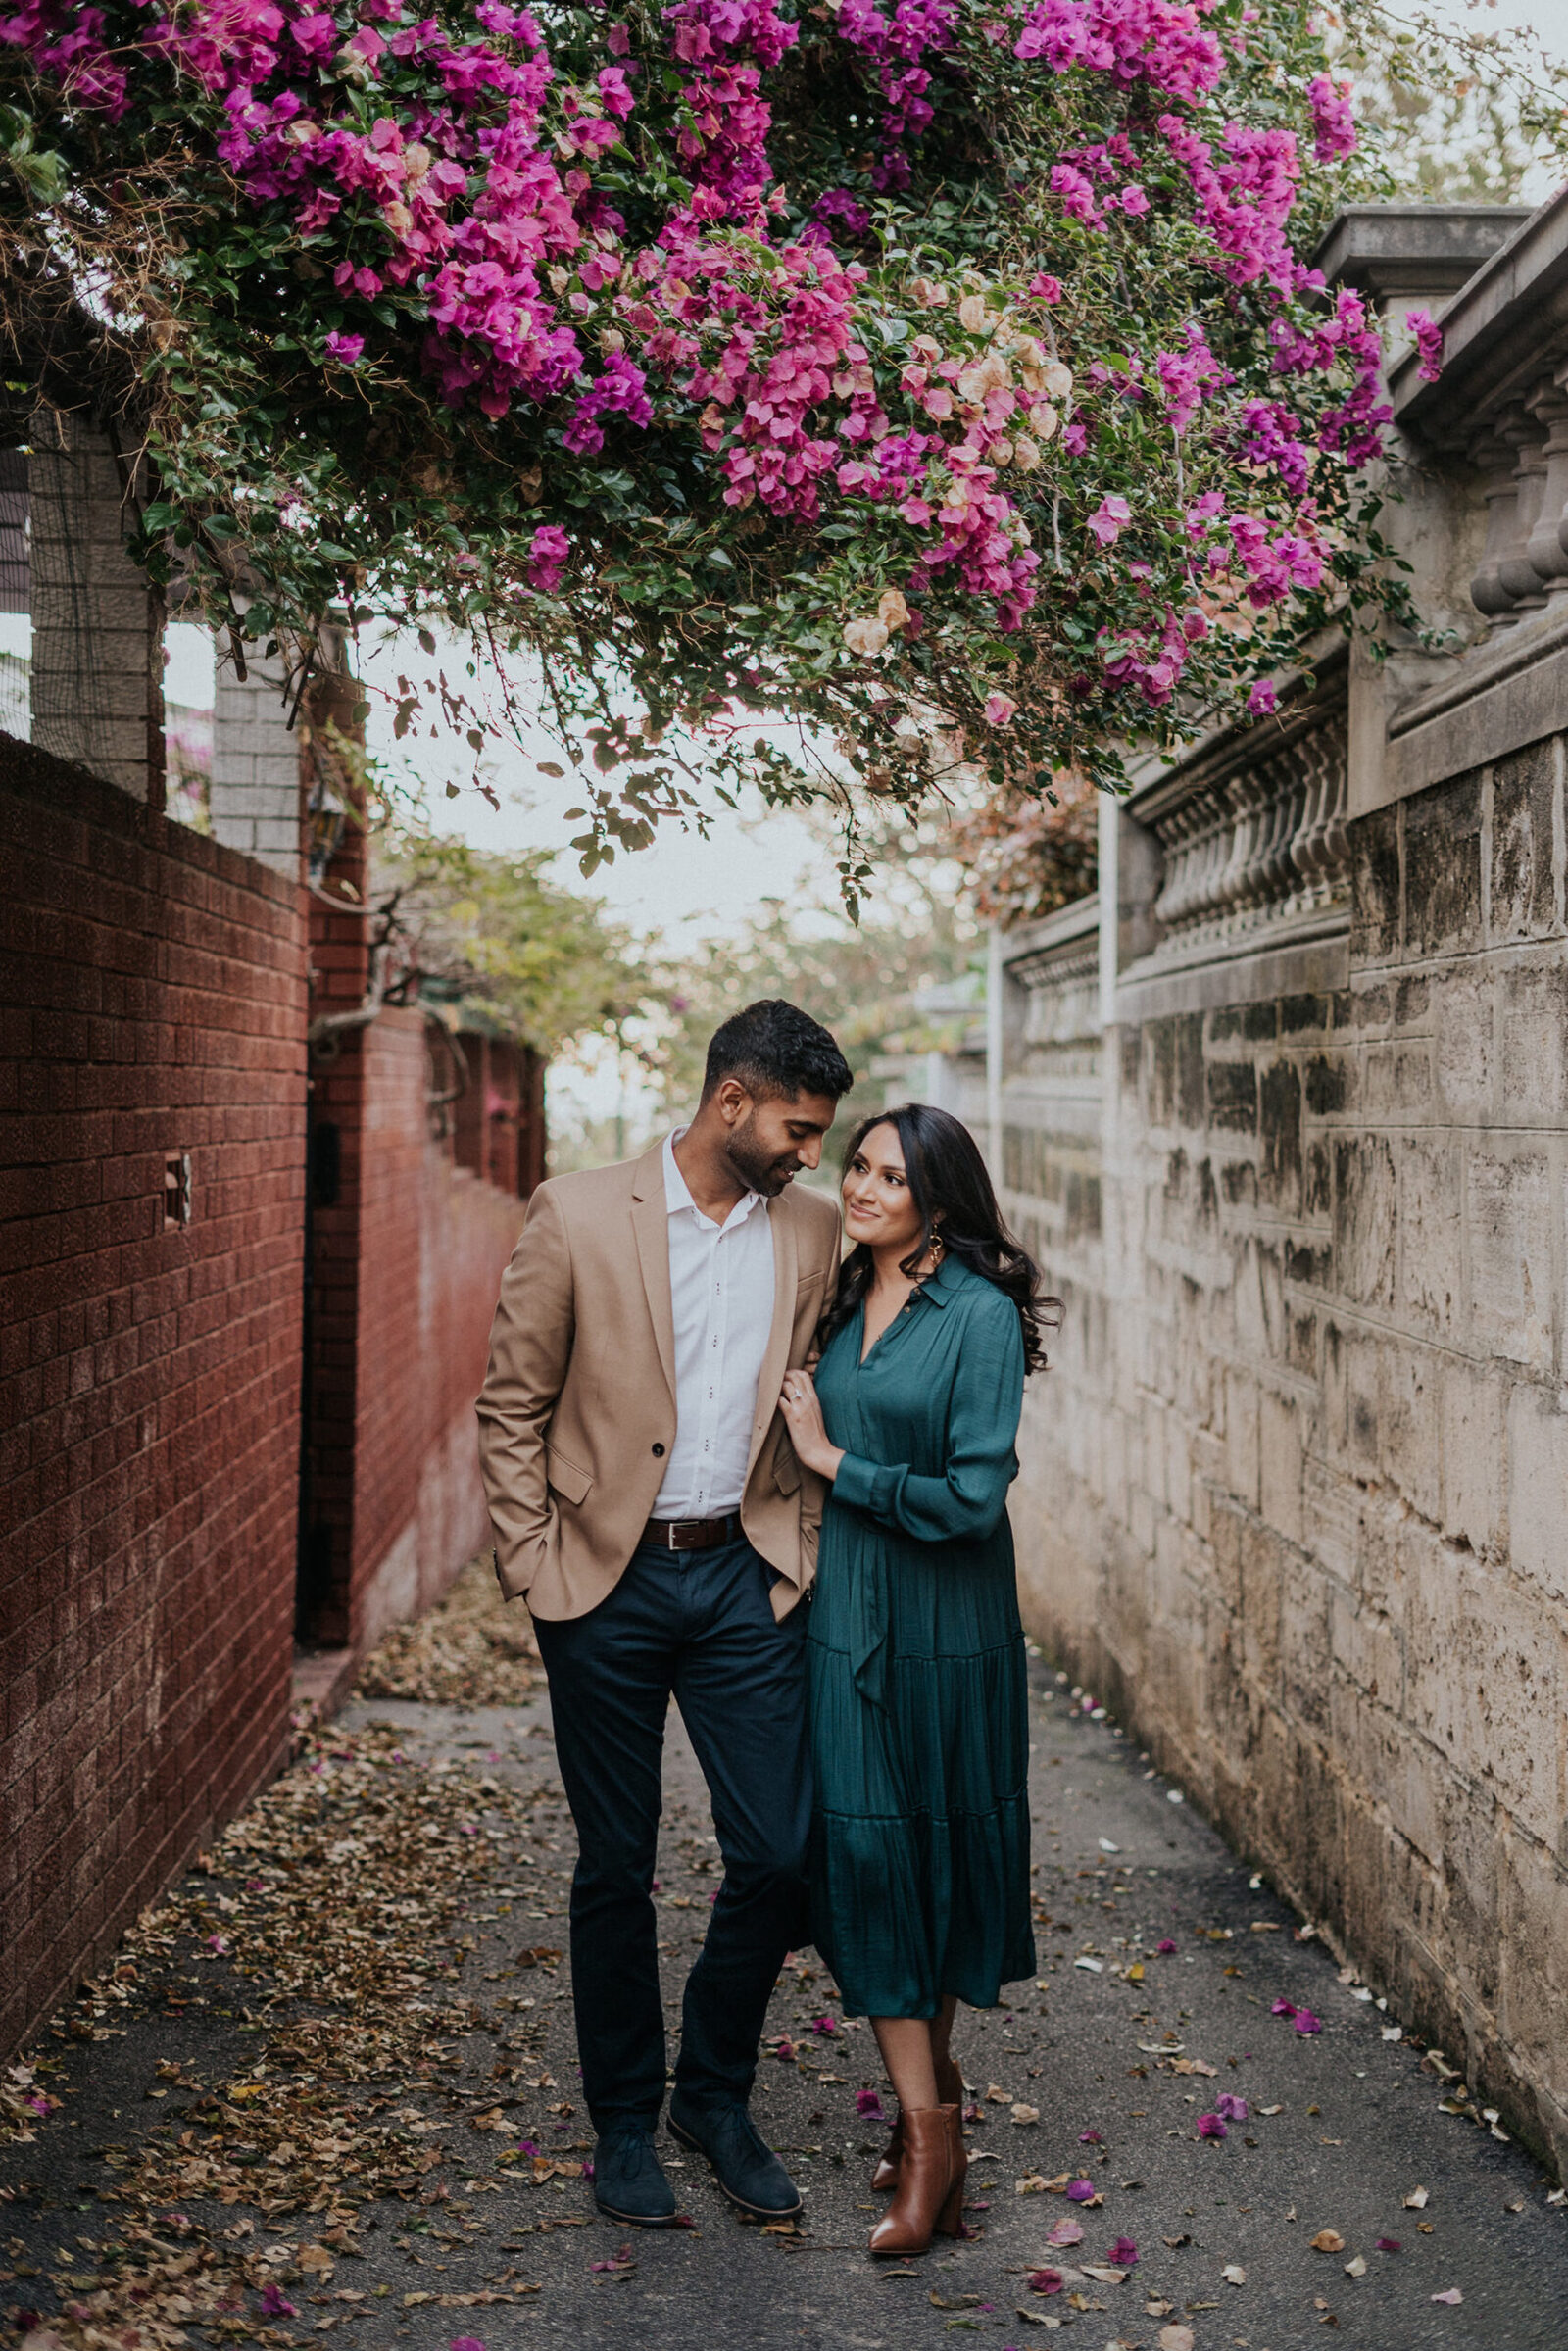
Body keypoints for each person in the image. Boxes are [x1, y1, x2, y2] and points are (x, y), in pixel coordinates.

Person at [476, 1001, 852, 2229]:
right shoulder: (579, 1210)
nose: (811, 1152)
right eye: (798, 1127)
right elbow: (512, 1401)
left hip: (744, 1576)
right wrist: (533, 1562)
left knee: (780, 1851)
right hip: (605, 1579)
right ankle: (625, 2121)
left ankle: (715, 2091)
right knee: (614, 1865)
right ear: (731, 1100)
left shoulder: (808, 1228)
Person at [777, 1102, 1051, 2258]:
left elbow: (970, 1497)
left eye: (892, 1174)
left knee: (931, 1857)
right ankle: (934, 2129)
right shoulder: (845, 1291)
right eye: (859, 1166)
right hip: (849, 1614)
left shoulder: (978, 1317)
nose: (865, 1187)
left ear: (939, 1197)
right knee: (872, 1855)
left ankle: (924, 2138)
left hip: (950, 1620)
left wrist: (837, 1461)